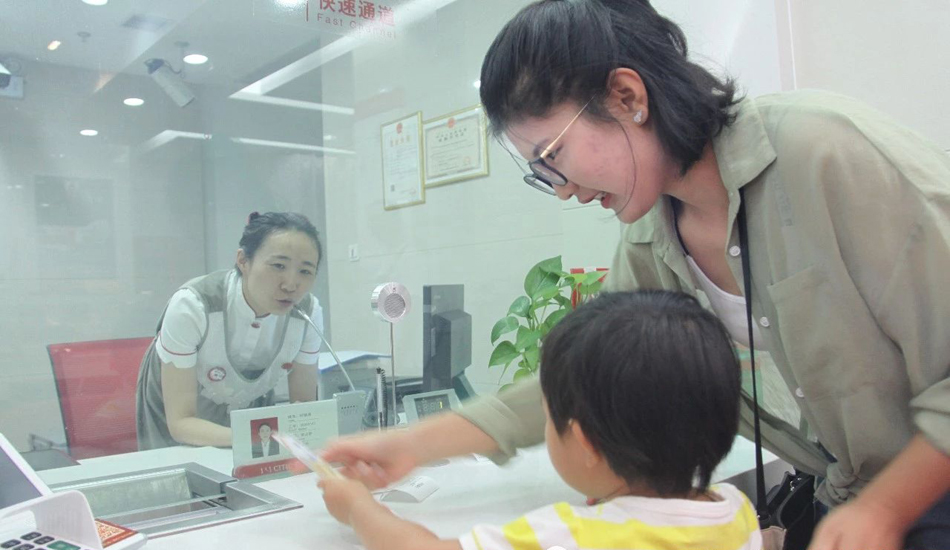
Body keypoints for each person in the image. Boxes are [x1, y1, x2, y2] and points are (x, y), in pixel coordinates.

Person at [323, 2, 950, 549]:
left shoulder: (825, 153)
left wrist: (886, 508)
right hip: (851, 502)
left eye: (553, 155)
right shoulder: (652, 234)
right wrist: (412, 445)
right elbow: (587, 382)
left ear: (628, 96)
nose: (561, 189)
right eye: (541, 173)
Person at [320, 291, 761, 550]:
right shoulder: (735, 512)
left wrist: (358, 509)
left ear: (587, 444)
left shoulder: (570, 535)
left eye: (548, 418)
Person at [136, 212, 326, 450]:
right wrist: (259, 438)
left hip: (250, 422)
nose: (290, 284)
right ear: (243, 261)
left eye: (305, 271)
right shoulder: (193, 306)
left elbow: (305, 410)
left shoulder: (308, 314)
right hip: (179, 420)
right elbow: (181, 423)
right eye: (278, 266)